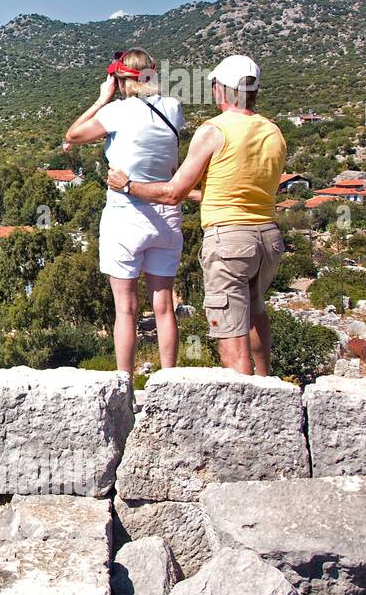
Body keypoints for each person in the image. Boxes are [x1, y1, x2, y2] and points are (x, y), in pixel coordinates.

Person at [106, 54, 286, 375]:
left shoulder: (214, 131)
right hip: (268, 238)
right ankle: (267, 384)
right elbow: (228, 189)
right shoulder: (273, 132)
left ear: (222, 90)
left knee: (232, 333)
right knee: (256, 313)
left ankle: (244, 408)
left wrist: (129, 185)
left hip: (230, 241)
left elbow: (173, 192)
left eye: (214, 85)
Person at [65, 48, 184, 373]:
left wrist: (102, 98)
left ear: (119, 80)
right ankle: (170, 383)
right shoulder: (173, 108)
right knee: (163, 307)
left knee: (127, 309)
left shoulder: (117, 111)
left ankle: (125, 387)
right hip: (167, 216)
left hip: (126, 216)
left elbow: (72, 135)